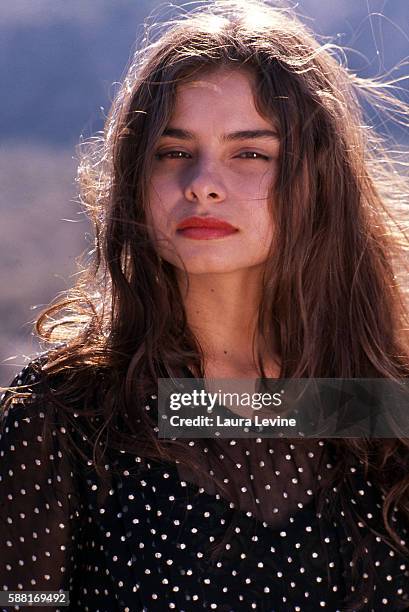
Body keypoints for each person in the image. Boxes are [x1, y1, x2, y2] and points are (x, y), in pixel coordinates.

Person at [1, 0, 409, 610]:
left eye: (250, 153)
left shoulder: (377, 402)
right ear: (136, 179)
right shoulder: (68, 414)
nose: (202, 182)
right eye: (172, 151)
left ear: (317, 182)